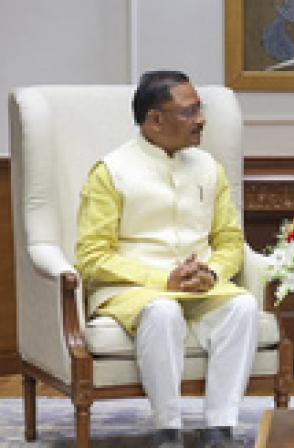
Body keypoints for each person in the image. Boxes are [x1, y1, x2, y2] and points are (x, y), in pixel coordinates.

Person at [76, 71, 258, 448]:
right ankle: (168, 431)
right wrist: (163, 280)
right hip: (133, 292)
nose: (201, 119)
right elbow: (92, 256)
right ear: (155, 119)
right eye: (189, 111)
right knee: (162, 311)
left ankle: (219, 429)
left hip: (202, 288)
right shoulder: (110, 172)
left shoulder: (209, 167)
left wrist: (210, 272)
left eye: (200, 109)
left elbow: (230, 241)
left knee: (242, 305)